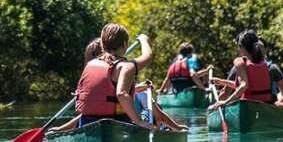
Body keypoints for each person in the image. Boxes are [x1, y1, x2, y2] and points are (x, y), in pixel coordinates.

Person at [53, 38, 187, 131]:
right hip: (115, 126)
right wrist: (60, 129)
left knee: (147, 114)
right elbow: (83, 116)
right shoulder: (106, 89)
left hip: (133, 126)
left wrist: (177, 127)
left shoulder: (138, 92)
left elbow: (159, 115)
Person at [209, 30, 283, 112]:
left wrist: (222, 103)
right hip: (267, 106)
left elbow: (241, 87)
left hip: (247, 106)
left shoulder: (238, 65)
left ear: (241, 47)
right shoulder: (271, 67)